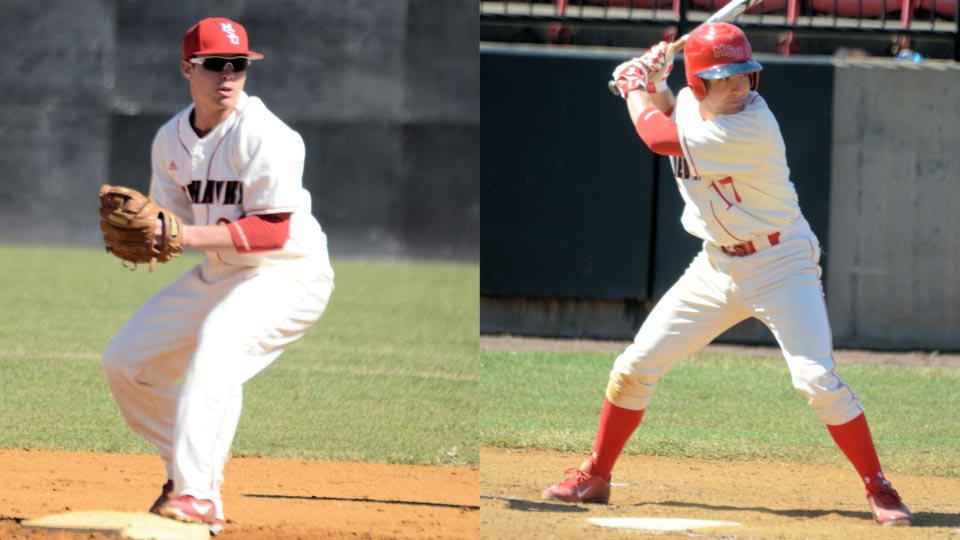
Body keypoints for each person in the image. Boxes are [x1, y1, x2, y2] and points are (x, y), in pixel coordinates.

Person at [540, 23, 912, 527]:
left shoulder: (751, 126)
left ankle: (878, 485)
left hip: (782, 264)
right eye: (724, 77)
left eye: (744, 75)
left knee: (816, 380)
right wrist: (653, 76)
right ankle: (597, 473)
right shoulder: (693, 103)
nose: (738, 86)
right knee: (634, 365)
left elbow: (658, 135)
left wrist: (632, 85)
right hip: (716, 265)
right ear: (699, 84)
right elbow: (670, 107)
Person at [100, 17, 335, 535]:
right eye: (214, 65)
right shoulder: (170, 141)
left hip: (289, 273)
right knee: (125, 364)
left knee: (218, 348)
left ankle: (198, 495)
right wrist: (153, 242)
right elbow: (168, 225)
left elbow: (274, 232)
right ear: (188, 68)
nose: (227, 75)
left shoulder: (267, 135)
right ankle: (190, 463)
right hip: (224, 271)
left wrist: (178, 235)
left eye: (239, 65)